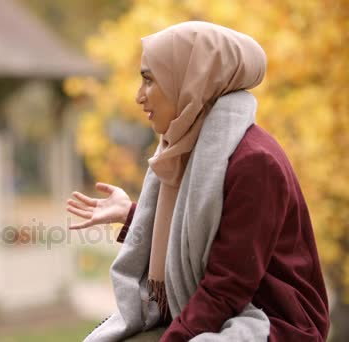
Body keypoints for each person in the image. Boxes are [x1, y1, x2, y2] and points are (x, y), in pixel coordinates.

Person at [67, 21, 329, 341]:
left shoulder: (253, 163)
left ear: (190, 81)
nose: (139, 97)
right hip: (223, 309)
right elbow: (202, 236)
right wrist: (132, 214)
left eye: (150, 80)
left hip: (275, 319)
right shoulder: (187, 145)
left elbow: (226, 286)